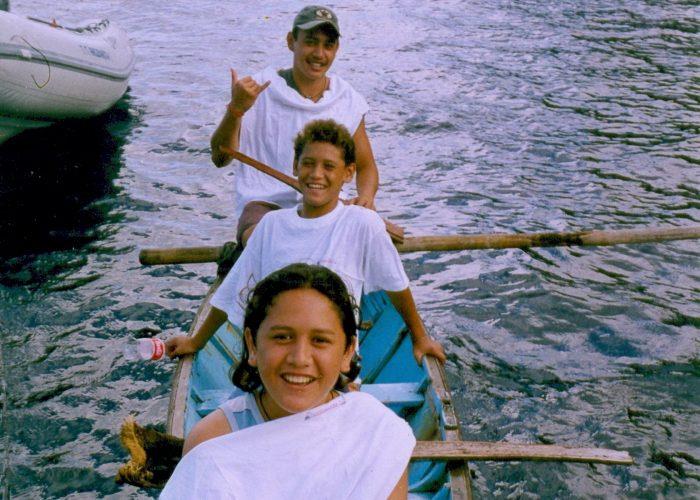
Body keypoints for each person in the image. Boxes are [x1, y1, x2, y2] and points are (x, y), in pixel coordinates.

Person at [166, 119, 446, 365]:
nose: (316, 175)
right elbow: (231, 292)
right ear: (295, 166)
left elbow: (397, 286)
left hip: (334, 367)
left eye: (329, 167)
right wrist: (196, 341)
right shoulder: (271, 226)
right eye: (308, 164)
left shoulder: (362, 224)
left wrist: (420, 338)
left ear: (347, 173)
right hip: (273, 361)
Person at [161, 264, 414, 499]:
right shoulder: (211, 441)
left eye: (320, 340)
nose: (299, 358)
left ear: (347, 352)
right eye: (282, 337)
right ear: (252, 345)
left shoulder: (377, 432)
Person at [210, 5, 379, 247]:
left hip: (327, 204)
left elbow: (366, 167)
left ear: (336, 50)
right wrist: (236, 109)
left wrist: (365, 198)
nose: (319, 53)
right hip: (265, 209)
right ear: (291, 41)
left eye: (328, 45)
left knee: (368, 242)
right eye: (311, 42)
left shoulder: (347, 99)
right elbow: (220, 157)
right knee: (270, 244)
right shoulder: (255, 90)